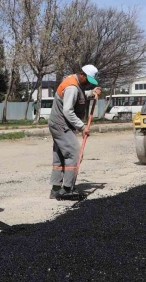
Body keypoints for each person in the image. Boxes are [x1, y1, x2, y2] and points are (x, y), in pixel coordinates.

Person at [49, 65, 101, 200]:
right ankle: (67, 189)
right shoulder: (72, 86)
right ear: (82, 74)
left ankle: (55, 189)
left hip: (57, 123)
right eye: (88, 80)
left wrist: (91, 93)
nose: (89, 83)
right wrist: (82, 127)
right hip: (61, 124)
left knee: (60, 155)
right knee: (75, 153)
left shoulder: (74, 82)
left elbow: (79, 97)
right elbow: (68, 111)